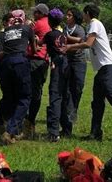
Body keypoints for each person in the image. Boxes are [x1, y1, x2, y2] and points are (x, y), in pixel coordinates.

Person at [66, 3, 112, 141]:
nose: (83, 16)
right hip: (102, 69)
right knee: (97, 101)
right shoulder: (92, 25)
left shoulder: (94, 23)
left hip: (108, 66)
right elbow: (86, 41)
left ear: (87, 13)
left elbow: (88, 44)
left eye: (84, 13)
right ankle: (95, 132)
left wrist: (69, 47)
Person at [0, 9, 37, 145]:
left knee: (10, 97)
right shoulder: (27, 29)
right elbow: (34, 49)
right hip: (20, 62)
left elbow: (1, 52)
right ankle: (10, 130)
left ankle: (9, 128)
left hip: (6, 64)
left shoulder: (5, 32)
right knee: (25, 97)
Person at [43, 8, 72, 141]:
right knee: (65, 96)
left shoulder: (49, 35)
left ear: (49, 21)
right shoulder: (64, 34)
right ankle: (66, 128)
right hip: (66, 64)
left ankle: (53, 132)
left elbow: (38, 44)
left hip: (57, 63)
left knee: (55, 96)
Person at [25, 3, 51, 137]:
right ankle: (30, 120)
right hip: (43, 61)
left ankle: (29, 121)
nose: (34, 15)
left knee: (30, 92)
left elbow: (27, 34)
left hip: (35, 59)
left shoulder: (38, 24)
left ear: (40, 13)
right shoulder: (49, 24)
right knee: (38, 90)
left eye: (36, 12)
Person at [64, 7, 87, 123]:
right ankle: (69, 113)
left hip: (79, 61)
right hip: (67, 61)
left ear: (75, 17)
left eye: (69, 15)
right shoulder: (64, 28)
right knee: (67, 88)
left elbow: (82, 40)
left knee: (78, 87)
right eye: (67, 15)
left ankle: (74, 109)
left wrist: (68, 38)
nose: (67, 17)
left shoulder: (79, 28)